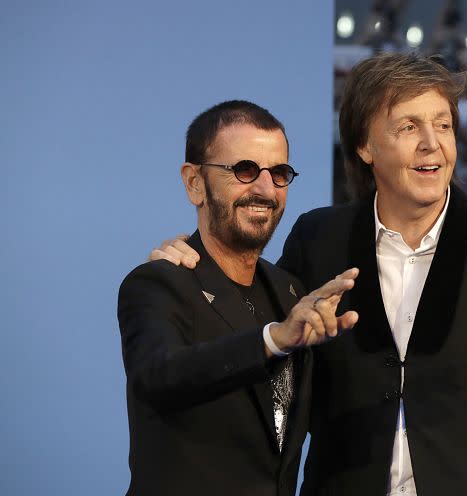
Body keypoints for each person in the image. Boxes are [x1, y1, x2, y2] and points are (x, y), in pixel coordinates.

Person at [153, 53, 467, 496]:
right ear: (365, 146)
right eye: (408, 127)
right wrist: (192, 262)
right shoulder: (319, 239)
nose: (432, 143)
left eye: (443, 125)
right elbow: (260, 339)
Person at [118, 100, 359, 496]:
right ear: (195, 182)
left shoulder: (290, 291)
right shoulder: (159, 284)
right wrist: (271, 341)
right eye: (244, 170)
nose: (265, 189)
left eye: (279, 173)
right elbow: (159, 376)